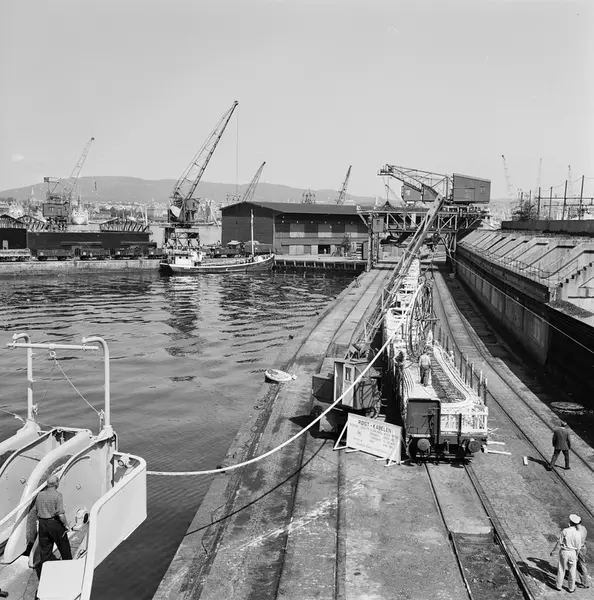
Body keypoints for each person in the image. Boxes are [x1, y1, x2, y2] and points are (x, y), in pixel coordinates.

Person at [34, 474, 72, 577]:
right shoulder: (57, 495)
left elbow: (36, 510)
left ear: (47, 484)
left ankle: (46, 574)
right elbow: (60, 514)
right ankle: (69, 570)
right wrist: (66, 525)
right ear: (56, 484)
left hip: (42, 524)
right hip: (54, 523)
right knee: (64, 547)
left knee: (45, 550)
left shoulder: (40, 495)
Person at [550, 514, 582, 592]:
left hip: (564, 551)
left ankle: (558, 586)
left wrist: (554, 550)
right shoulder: (578, 533)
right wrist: (576, 555)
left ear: (570, 522)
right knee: (572, 571)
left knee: (561, 569)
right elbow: (578, 547)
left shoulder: (565, 531)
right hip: (573, 552)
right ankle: (571, 588)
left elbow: (559, 542)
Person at [577, 520, 590, 588]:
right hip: (583, 547)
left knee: (581, 565)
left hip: (580, 548)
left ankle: (585, 583)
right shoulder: (584, 528)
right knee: (579, 564)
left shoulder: (578, 531)